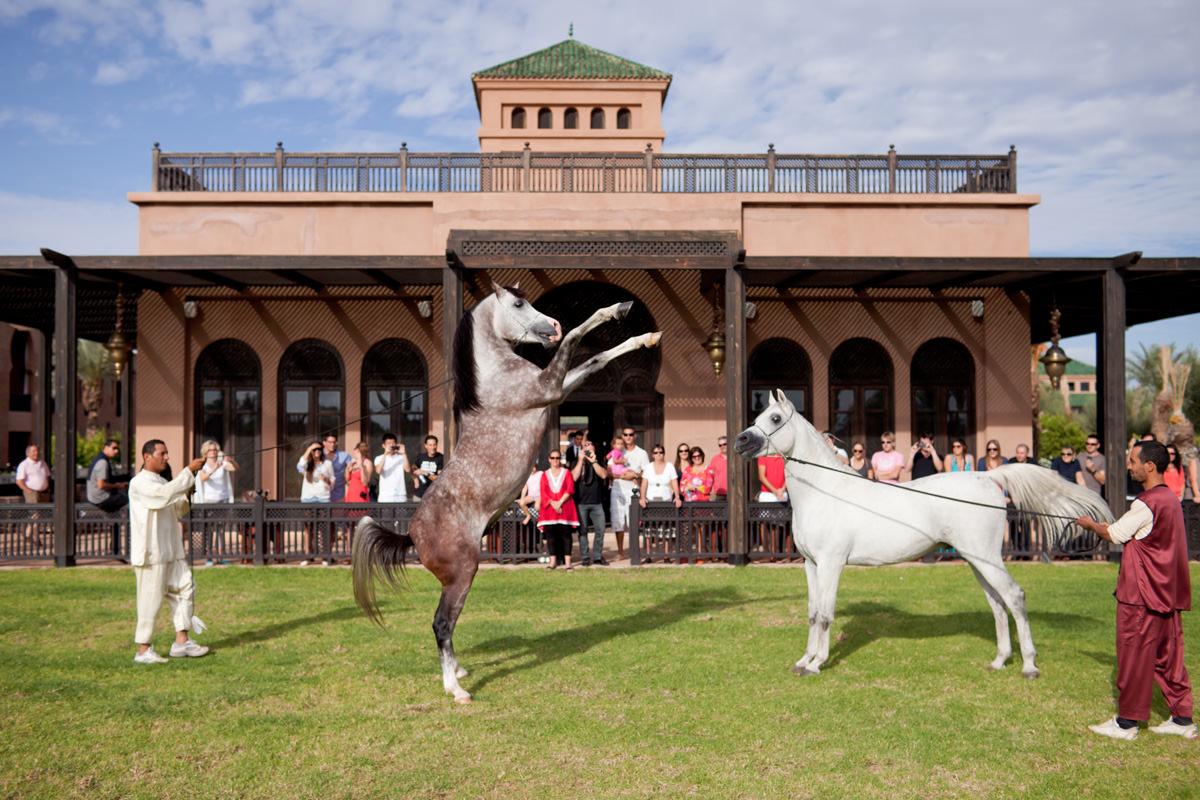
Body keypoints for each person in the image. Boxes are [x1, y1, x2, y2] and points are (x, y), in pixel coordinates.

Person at [1074, 440, 1196, 741]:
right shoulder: (1170, 498)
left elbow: (1115, 533)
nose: (1130, 466)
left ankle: (1126, 724)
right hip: (1166, 593)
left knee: (1132, 658)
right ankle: (1182, 720)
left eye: (1132, 461)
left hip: (1140, 596)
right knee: (1169, 658)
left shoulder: (1146, 502)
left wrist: (1091, 525)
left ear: (1149, 466)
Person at [129, 440, 209, 664]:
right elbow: (162, 496)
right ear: (147, 457)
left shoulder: (164, 482)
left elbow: (178, 508)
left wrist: (187, 491)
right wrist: (188, 472)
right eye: (161, 453)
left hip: (171, 549)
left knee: (186, 588)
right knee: (150, 601)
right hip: (151, 553)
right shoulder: (139, 483)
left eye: (166, 453)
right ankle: (143, 650)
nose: (166, 457)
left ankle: (181, 642)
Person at [194, 440, 238, 566]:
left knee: (221, 530)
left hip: (222, 499)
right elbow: (203, 478)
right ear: (206, 452)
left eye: (215, 450)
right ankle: (209, 558)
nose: (213, 452)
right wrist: (214, 469)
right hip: (209, 501)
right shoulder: (203, 465)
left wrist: (231, 461)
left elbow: (234, 468)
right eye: (211, 450)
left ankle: (220, 557)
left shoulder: (222, 463)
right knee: (209, 530)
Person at [610, 427, 648, 560]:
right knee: (618, 521)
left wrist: (635, 474)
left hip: (633, 489)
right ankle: (620, 552)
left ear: (635, 436)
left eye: (630, 434)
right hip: (617, 488)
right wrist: (621, 476)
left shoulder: (641, 453)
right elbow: (609, 470)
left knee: (633, 521)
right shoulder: (617, 450)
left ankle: (634, 550)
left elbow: (646, 473)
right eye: (625, 434)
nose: (628, 437)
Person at [538, 450, 578, 571]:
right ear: (549, 459)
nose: (555, 460)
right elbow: (543, 491)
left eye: (557, 458)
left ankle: (568, 563)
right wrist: (553, 503)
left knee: (566, 535)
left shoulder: (567, 473)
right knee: (551, 535)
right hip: (550, 509)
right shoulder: (545, 474)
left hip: (565, 507)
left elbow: (570, 489)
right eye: (553, 458)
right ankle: (552, 562)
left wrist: (559, 502)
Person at [571, 436, 609, 566]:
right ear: (581, 449)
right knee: (582, 531)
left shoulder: (599, 461)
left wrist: (593, 462)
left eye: (590, 446)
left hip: (597, 502)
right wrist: (581, 460)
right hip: (581, 502)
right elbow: (574, 478)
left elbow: (604, 475)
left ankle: (598, 556)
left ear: (594, 448)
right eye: (585, 446)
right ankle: (585, 558)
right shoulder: (576, 461)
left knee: (600, 530)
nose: (587, 449)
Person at [16, 443, 50, 549]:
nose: (36, 453)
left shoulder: (42, 463)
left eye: (37, 451)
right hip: (32, 492)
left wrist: (47, 486)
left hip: (43, 492)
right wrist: (29, 491)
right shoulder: (24, 464)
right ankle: (30, 536)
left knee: (40, 516)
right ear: (28, 453)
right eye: (34, 451)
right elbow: (19, 481)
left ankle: (31, 536)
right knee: (35, 515)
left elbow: (47, 476)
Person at [87, 438, 128, 512]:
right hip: (99, 498)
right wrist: (118, 486)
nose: (116, 451)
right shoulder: (102, 462)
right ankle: (124, 522)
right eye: (114, 448)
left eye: (117, 449)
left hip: (94, 496)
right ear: (106, 447)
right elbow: (101, 485)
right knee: (127, 499)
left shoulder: (100, 458)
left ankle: (115, 522)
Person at [374, 433, 409, 502]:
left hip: (400, 495)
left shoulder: (401, 457)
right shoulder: (379, 458)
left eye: (393, 443)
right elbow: (378, 471)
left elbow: (407, 469)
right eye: (389, 443)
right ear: (383, 445)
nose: (391, 445)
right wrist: (385, 454)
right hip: (385, 496)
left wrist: (404, 453)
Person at [412, 435, 444, 499]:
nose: (432, 447)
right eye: (430, 445)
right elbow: (413, 468)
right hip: (419, 494)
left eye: (434, 445)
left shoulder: (441, 458)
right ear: (426, 446)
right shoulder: (421, 457)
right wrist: (415, 479)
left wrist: (425, 473)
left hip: (434, 495)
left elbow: (439, 479)